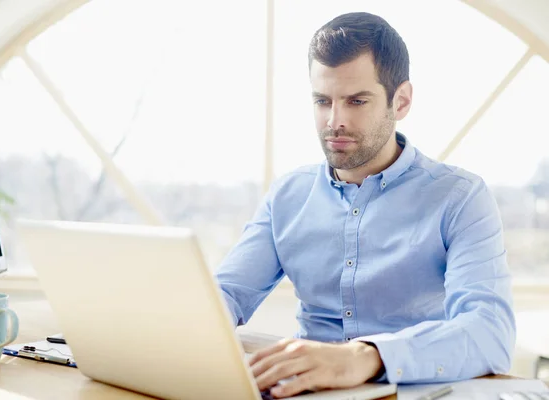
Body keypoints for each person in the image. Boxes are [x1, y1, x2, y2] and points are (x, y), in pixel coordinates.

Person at [215, 11, 516, 399]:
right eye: (323, 101)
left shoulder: (460, 197)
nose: (333, 122)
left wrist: (367, 357)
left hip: (406, 390)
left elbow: (490, 332)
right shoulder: (287, 196)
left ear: (401, 100)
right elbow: (223, 295)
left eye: (357, 101)